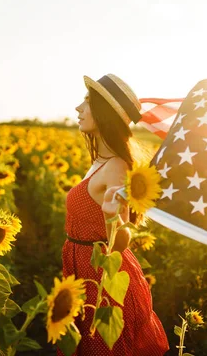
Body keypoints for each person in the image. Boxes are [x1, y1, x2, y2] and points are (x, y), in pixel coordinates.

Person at [58, 74, 170, 355]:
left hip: (105, 281)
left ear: (105, 113)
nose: (78, 109)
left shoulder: (116, 166)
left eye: (86, 102)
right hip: (85, 272)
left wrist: (112, 218)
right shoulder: (100, 161)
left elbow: (122, 240)